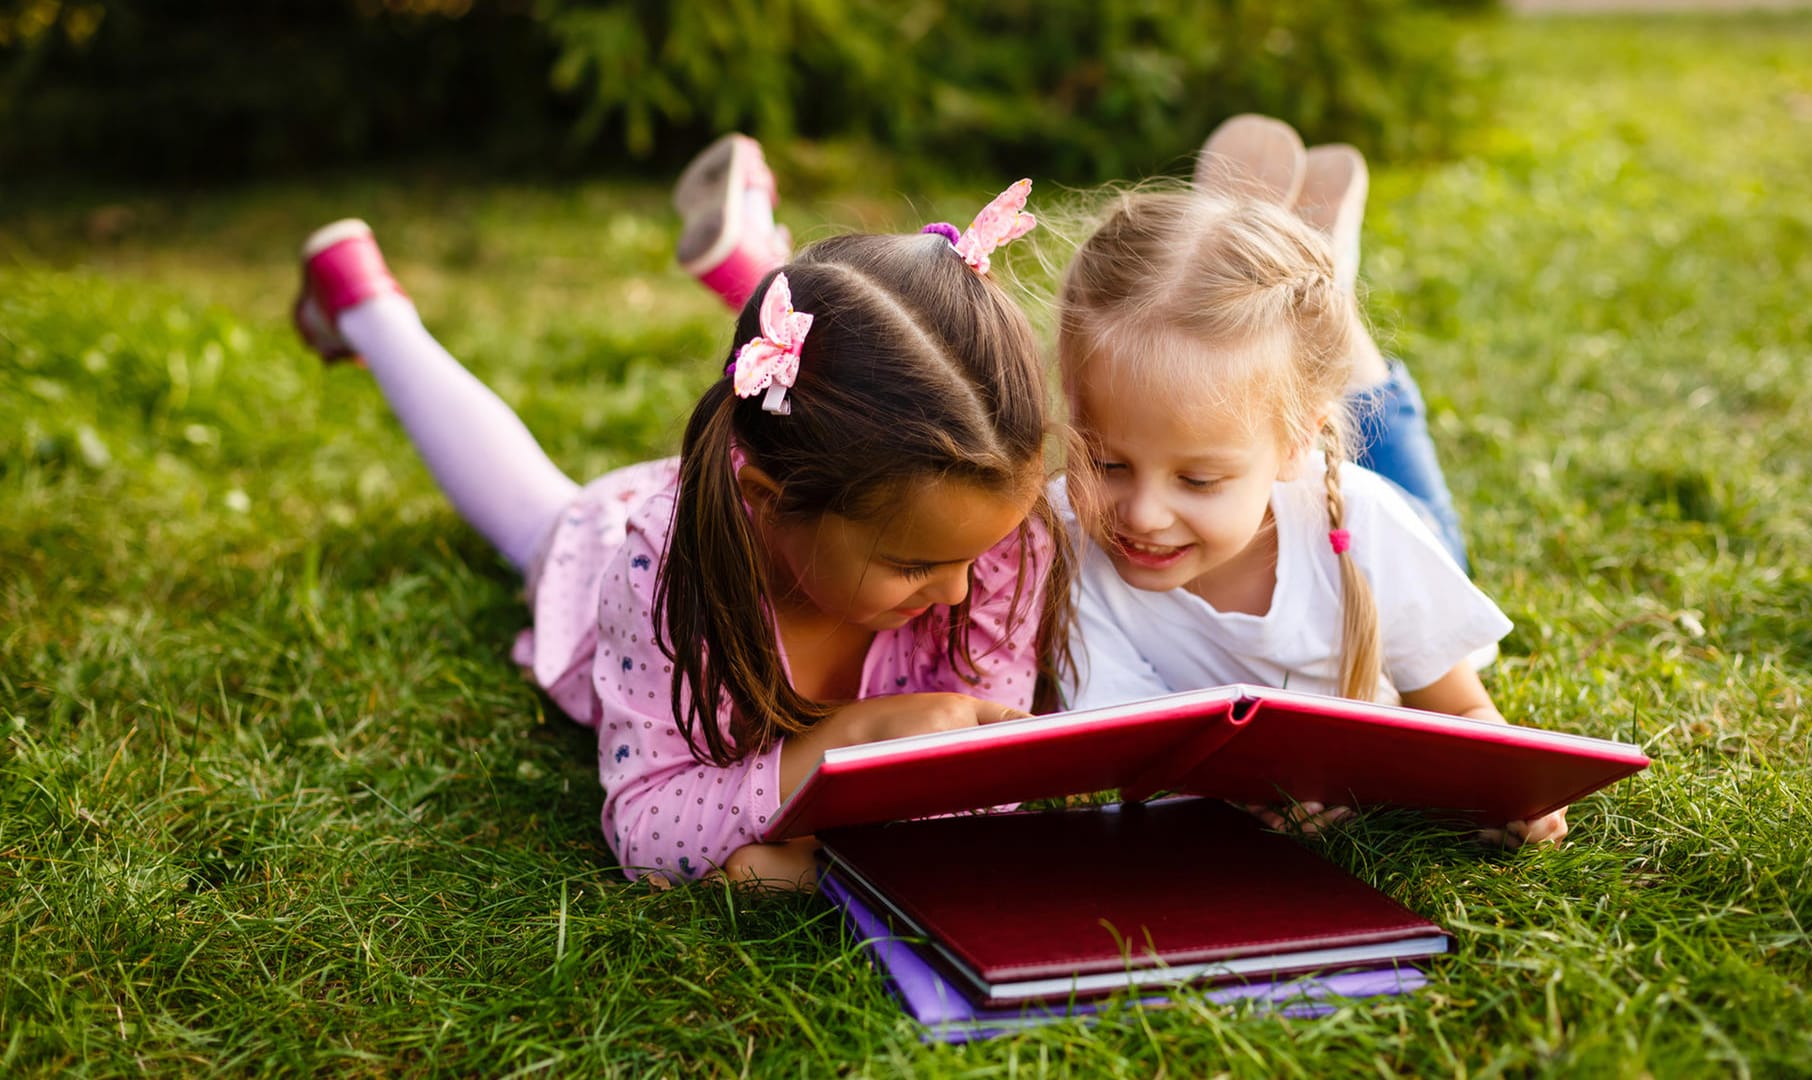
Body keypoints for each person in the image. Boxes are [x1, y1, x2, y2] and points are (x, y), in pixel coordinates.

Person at [290, 154, 1072, 889]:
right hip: (614, 538)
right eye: (911, 564)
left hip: (817, 467)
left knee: (837, 378)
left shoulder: (998, 541)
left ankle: (756, 264)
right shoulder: (660, 571)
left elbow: (980, 797)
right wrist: (851, 745)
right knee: (535, 513)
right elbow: (645, 824)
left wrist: (818, 870)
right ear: (769, 499)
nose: (960, 589)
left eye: (983, 551)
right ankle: (365, 304)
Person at [1055, 115, 1566, 847]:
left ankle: (1325, 277)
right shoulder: (1065, 545)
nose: (1142, 514)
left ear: (1296, 445)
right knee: (1258, 376)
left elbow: (1465, 715)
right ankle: (1274, 257)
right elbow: (1129, 753)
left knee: (1367, 406)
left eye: (1198, 480)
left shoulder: (1372, 531)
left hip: (1358, 521)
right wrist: (1231, 796)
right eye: (1106, 463)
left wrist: (1506, 792)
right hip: (1297, 459)